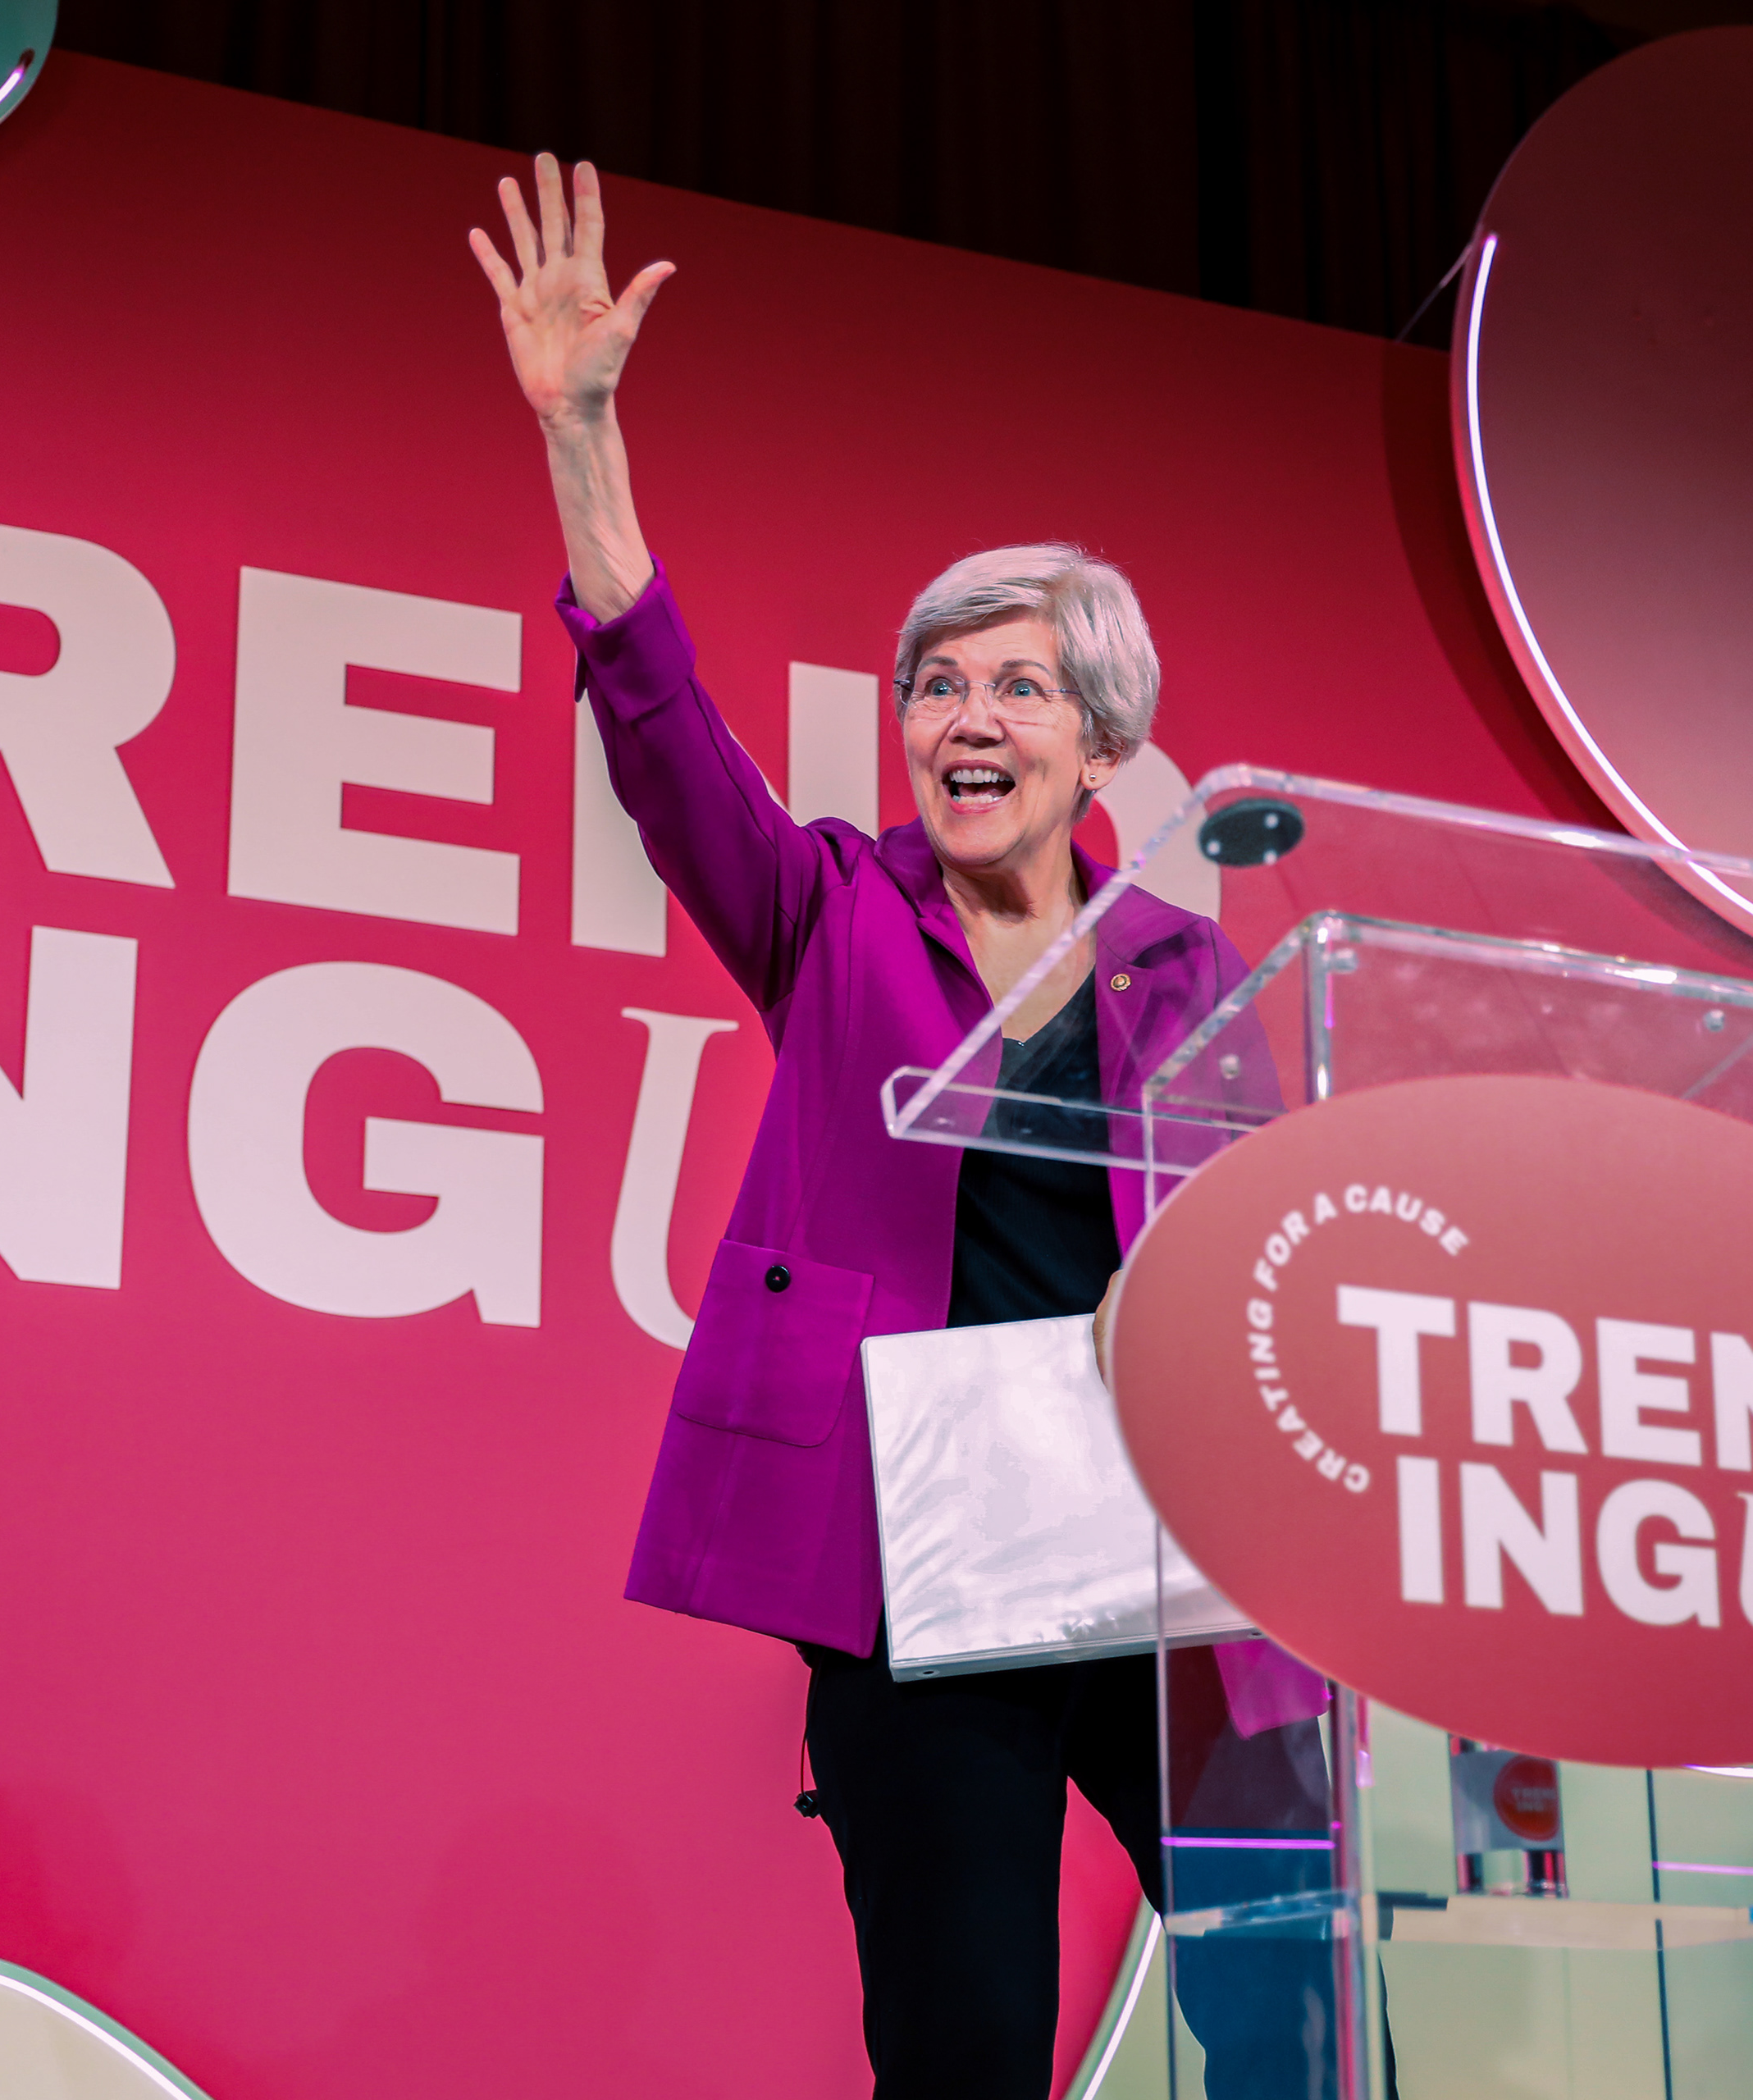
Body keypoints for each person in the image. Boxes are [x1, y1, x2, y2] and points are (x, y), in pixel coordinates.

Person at [471, 155, 1335, 2099]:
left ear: (1100, 743)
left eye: (1018, 684)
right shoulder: (833, 912)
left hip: (1164, 1540)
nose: (966, 715)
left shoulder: (1185, 970)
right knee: (963, 2051)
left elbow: (1265, 1262)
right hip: (929, 1551)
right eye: (937, 683)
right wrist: (582, 437)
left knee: (1301, 2014)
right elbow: (661, 733)